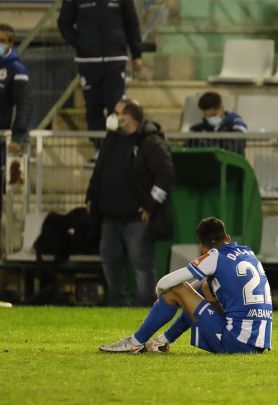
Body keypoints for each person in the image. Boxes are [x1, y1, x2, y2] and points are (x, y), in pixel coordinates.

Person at [99, 217, 272, 354]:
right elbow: (195, 294)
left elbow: (165, 283)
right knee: (199, 291)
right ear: (228, 238)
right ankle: (162, 342)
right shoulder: (248, 252)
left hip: (236, 342)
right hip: (258, 342)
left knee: (179, 290)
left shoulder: (214, 256)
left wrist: (161, 294)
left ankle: (134, 343)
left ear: (204, 248)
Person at [86, 100, 175, 306]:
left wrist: (151, 204)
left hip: (136, 218)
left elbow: (166, 174)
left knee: (142, 266)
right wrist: (91, 196)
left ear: (129, 117)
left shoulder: (150, 141)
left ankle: (145, 307)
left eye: (117, 113)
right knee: (110, 263)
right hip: (109, 218)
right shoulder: (112, 138)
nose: (113, 117)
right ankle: (117, 304)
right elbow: (99, 170)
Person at [58, 0, 143, 157]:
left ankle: (116, 149)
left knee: (116, 106)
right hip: (88, 62)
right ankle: (99, 149)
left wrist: (137, 53)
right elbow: (64, 24)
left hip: (115, 59)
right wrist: (81, 42)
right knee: (93, 107)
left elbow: (131, 23)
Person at [0, 23, 31, 154]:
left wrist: (17, 136)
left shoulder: (17, 70)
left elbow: (25, 105)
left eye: (2, 41)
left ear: (10, 43)